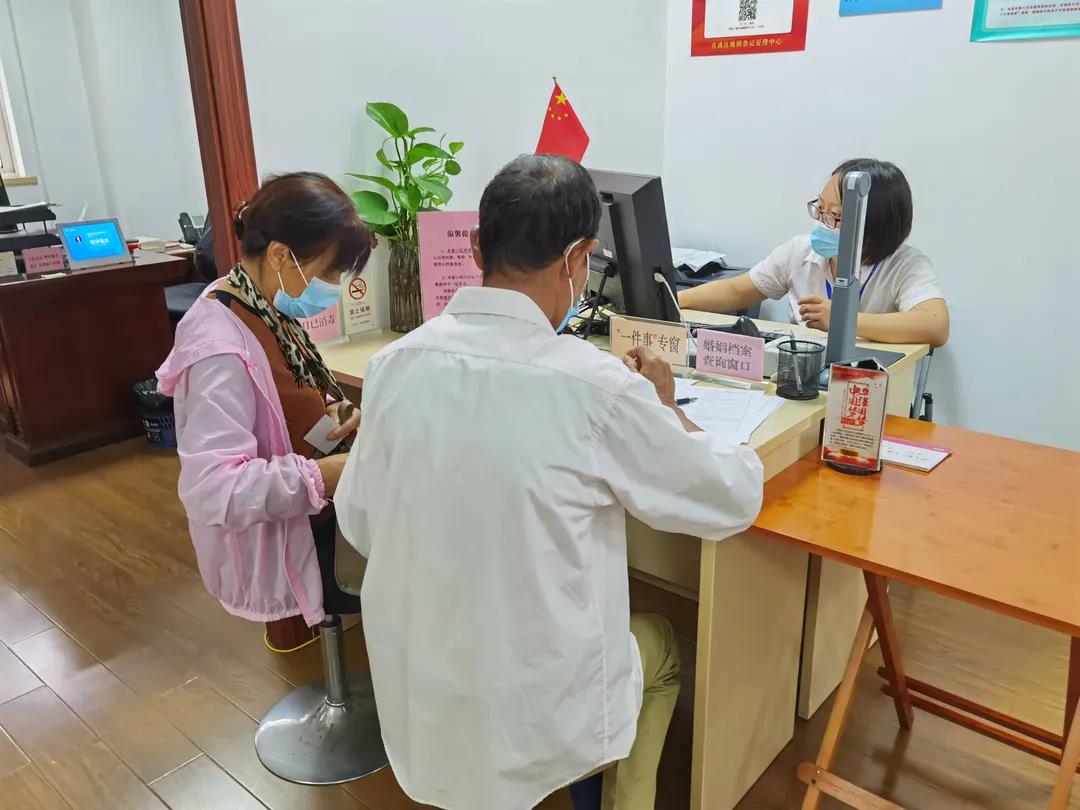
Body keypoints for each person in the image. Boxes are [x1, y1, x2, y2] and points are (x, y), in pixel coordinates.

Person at [334, 155, 764, 810]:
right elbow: (730, 496)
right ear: (578, 259)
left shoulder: (394, 365)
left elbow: (360, 524)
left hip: (423, 695)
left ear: (476, 246)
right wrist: (668, 409)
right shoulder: (595, 387)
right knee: (661, 651)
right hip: (538, 710)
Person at [156, 172, 374, 633]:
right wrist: (324, 476)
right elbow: (214, 489)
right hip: (293, 539)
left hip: (318, 508)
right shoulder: (218, 346)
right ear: (280, 255)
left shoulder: (260, 302)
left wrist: (331, 410)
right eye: (329, 272)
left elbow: (285, 389)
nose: (335, 285)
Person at [678, 159, 949, 348]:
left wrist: (843, 321)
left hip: (868, 384)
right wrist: (672, 300)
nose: (821, 222)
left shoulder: (905, 264)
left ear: (875, 224)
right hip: (802, 375)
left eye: (835, 215)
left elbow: (935, 325)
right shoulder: (800, 251)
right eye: (819, 208)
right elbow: (737, 291)